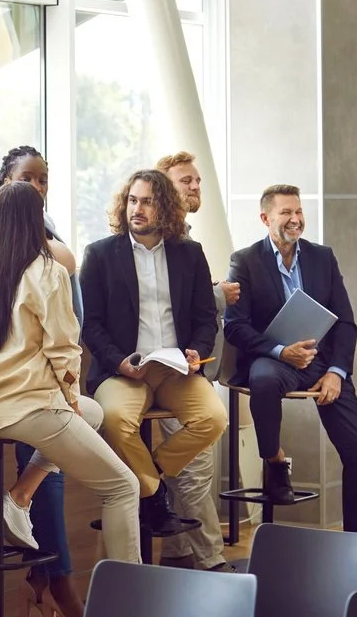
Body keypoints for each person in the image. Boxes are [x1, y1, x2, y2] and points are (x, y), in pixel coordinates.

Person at [0, 180, 140, 564]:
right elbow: (63, 350)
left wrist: (75, 407)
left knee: (94, 413)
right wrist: (69, 401)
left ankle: (20, 495)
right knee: (123, 487)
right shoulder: (47, 271)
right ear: (34, 221)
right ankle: (131, 594)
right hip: (27, 406)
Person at [79, 169, 227, 535]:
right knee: (113, 419)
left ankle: (150, 478)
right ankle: (154, 493)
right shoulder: (99, 255)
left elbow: (207, 318)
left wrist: (198, 351)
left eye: (146, 201)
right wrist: (118, 361)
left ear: (164, 207)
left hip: (176, 367)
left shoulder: (189, 254)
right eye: (132, 200)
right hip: (123, 369)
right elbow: (89, 323)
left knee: (213, 418)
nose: (137, 209)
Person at [224, 184, 357, 531]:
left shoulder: (322, 257)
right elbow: (235, 327)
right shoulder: (244, 261)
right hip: (274, 359)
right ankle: (275, 461)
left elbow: (346, 322)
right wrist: (280, 351)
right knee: (262, 379)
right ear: (265, 218)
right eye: (286, 213)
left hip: (321, 364)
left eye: (299, 211)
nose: (295, 219)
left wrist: (336, 371)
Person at [0, 145, 87, 615]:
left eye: (44, 180)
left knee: (50, 467)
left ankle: (42, 573)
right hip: (27, 381)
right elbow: (66, 261)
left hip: (56, 373)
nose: (38, 188)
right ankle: (58, 578)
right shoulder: (1, 234)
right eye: (28, 179)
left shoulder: (39, 232)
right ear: (6, 182)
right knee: (55, 467)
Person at [152, 151, 235, 573]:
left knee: (193, 462)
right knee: (198, 461)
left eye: (197, 180)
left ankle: (179, 552)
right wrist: (219, 295)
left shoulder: (187, 243)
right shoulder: (149, 243)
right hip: (157, 368)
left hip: (190, 362)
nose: (195, 187)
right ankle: (210, 558)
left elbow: (195, 309)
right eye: (186, 181)